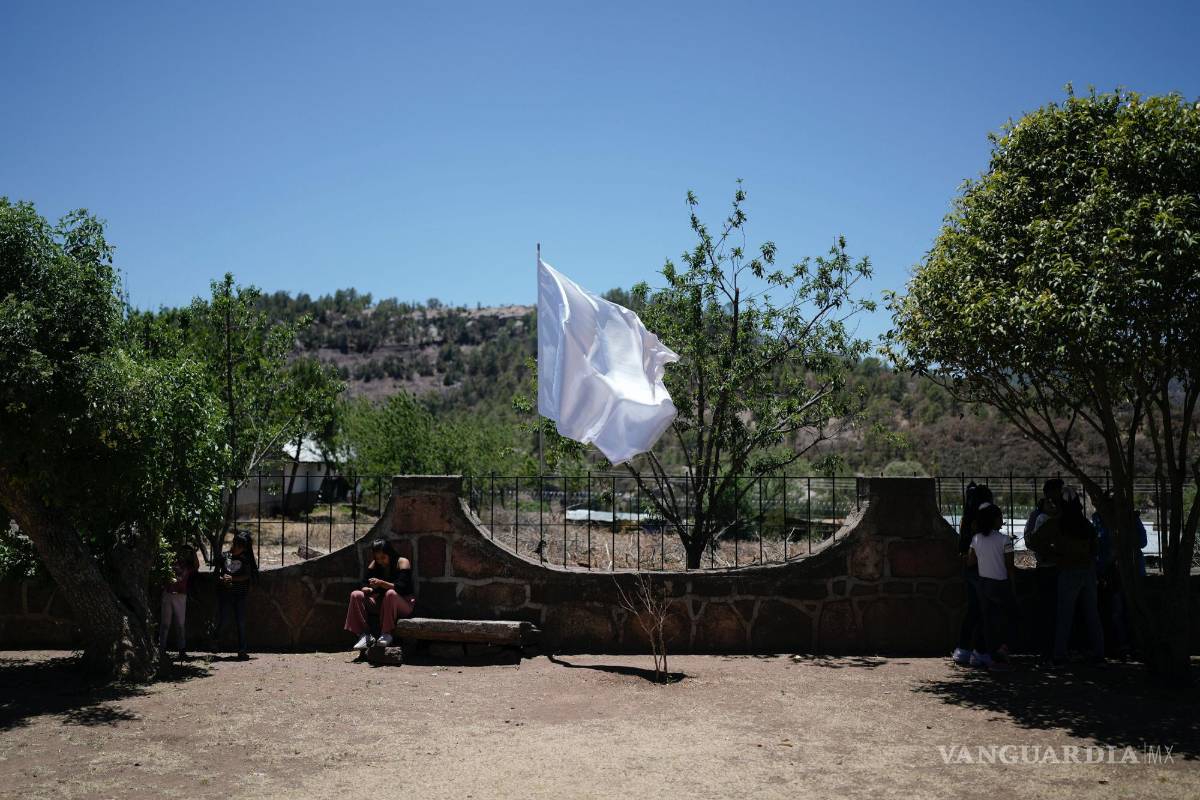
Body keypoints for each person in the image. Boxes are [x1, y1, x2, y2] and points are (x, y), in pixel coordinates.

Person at [1026, 485, 1104, 666]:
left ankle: (1059, 655)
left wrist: (1052, 555)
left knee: (1064, 615)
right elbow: (1095, 549)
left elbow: (1034, 541)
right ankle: (1099, 654)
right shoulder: (1086, 525)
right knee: (1092, 614)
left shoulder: (1056, 523)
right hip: (1088, 572)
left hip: (1068, 571)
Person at [968, 503, 1016, 672]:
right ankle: (999, 657)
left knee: (987, 622)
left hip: (983, 583)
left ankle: (984, 655)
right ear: (995, 520)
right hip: (1001, 583)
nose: (1002, 521)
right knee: (1001, 622)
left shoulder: (976, 539)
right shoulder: (1004, 540)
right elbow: (1010, 565)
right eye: (1000, 518)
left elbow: (970, 561)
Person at [344, 539, 415, 651]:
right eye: (377, 558)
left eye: (383, 557)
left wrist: (381, 583)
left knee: (391, 593)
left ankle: (386, 633)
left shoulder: (402, 562)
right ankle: (364, 635)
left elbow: (402, 587)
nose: (380, 561)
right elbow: (364, 582)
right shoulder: (375, 564)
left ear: (390, 553)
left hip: (403, 603)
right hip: (381, 602)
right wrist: (366, 588)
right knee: (356, 594)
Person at [952, 483, 993, 667]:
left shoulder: (966, 518)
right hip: (985, 570)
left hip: (970, 569)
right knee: (985, 612)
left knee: (973, 611)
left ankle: (963, 649)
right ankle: (980, 650)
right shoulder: (983, 519)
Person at [1023, 479, 1061, 663]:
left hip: (1046, 565)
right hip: (1048, 566)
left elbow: (1029, 539)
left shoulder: (1042, 516)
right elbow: (1031, 540)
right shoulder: (1041, 517)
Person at [214, 530, 258, 661]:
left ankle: (242, 650)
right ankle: (214, 641)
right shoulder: (225, 557)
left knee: (241, 623)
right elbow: (217, 573)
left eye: (238, 546)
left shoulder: (246, 560)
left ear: (244, 548)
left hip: (240, 596)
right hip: (226, 595)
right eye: (234, 544)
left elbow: (247, 576)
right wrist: (222, 579)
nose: (235, 547)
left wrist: (232, 578)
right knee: (223, 620)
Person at [160, 546, 199, 660]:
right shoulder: (169, 563)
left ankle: (181, 650)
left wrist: (194, 552)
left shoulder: (187, 566)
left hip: (181, 596)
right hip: (168, 594)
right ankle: (162, 649)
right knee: (165, 624)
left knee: (180, 625)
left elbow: (196, 566)